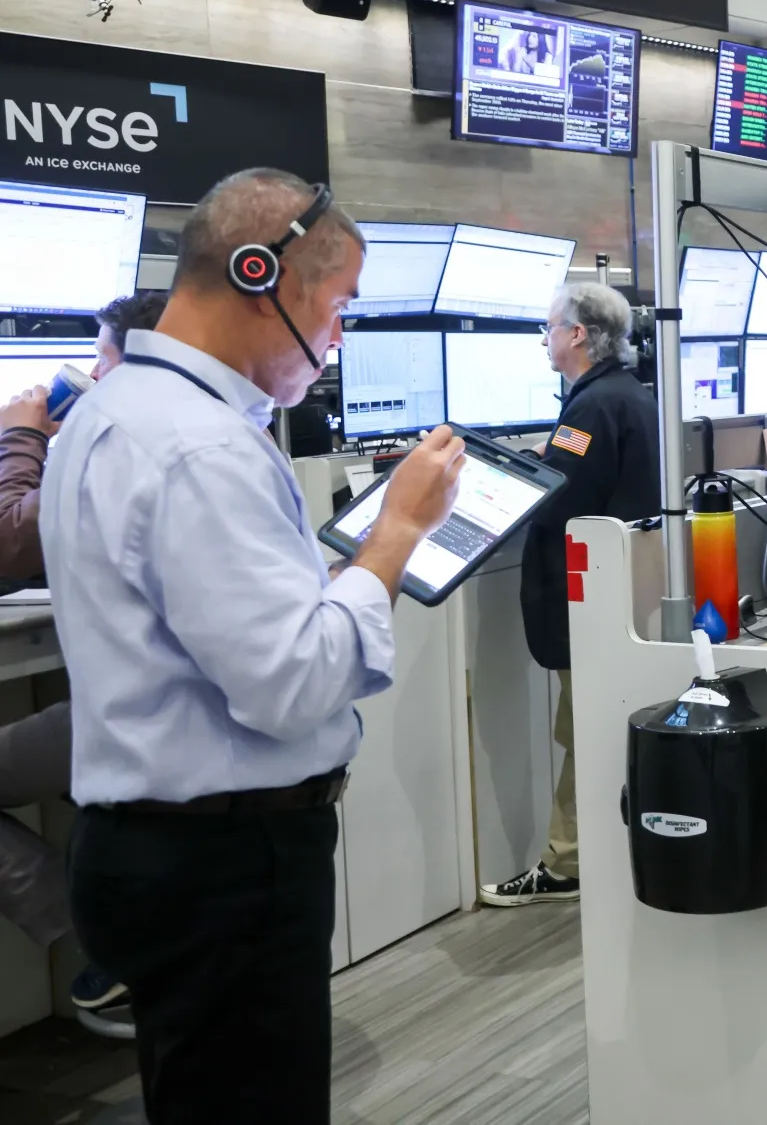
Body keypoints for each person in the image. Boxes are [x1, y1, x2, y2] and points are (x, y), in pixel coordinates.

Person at [43, 168, 466, 1123]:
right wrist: (397, 530)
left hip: (155, 848)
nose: (339, 336)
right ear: (256, 270)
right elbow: (290, 684)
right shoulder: (204, 449)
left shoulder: (112, 415)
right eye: (339, 303)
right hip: (224, 867)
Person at [0, 291, 168, 1034]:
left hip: (131, 717)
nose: (91, 374)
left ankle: (108, 942)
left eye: (100, 356)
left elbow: (10, 543)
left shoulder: (112, 443)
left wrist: (20, 438)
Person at [483, 283, 661, 906]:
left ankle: (568, 865)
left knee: (585, 733)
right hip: (623, 595)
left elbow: (562, 495)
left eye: (550, 327)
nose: (546, 339)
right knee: (589, 730)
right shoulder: (625, 397)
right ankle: (576, 857)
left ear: (578, 335)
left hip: (589, 601)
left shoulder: (591, 408)